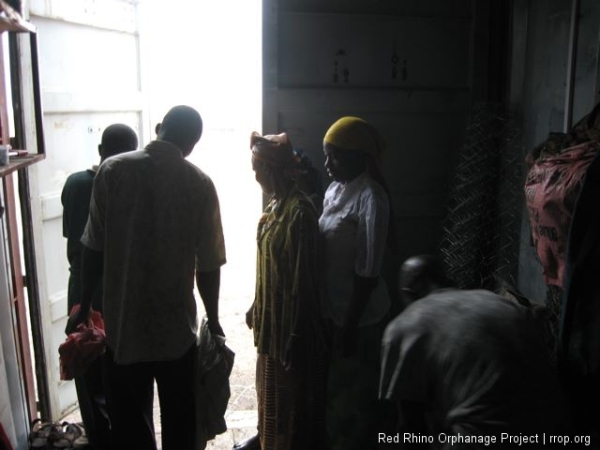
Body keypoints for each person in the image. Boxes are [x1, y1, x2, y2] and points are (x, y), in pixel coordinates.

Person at [66, 105, 227, 450]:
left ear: (158, 128)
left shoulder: (112, 171)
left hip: (125, 331)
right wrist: (212, 318)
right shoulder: (199, 184)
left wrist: (83, 307)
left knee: (129, 427)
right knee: (180, 425)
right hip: (176, 334)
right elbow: (209, 265)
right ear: (193, 144)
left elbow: (92, 249)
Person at [380, 255, 568, 448]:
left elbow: (411, 428)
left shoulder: (404, 325)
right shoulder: (499, 302)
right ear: (446, 279)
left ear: (408, 291)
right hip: (555, 431)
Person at [243, 131, 327, 450]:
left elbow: (304, 280)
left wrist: (296, 335)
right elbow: (269, 268)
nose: (254, 176)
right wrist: (256, 303)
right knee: (270, 405)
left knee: (290, 414)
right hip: (270, 331)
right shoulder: (273, 210)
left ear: (270, 169)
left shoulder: (299, 213)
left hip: (288, 332)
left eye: (256, 168)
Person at [319, 116, 396, 450]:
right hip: (333, 311)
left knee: (353, 400)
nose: (328, 163)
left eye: (335, 156)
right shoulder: (335, 189)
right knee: (336, 393)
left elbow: (368, 273)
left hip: (359, 319)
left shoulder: (371, 199)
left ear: (359, 157)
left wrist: (349, 327)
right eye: (327, 154)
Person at [61, 123, 138, 450]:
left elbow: (77, 250)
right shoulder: (134, 184)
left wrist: (81, 304)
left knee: (91, 377)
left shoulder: (78, 185)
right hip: (120, 296)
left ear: (100, 151)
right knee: (125, 381)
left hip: (85, 293)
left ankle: (102, 440)